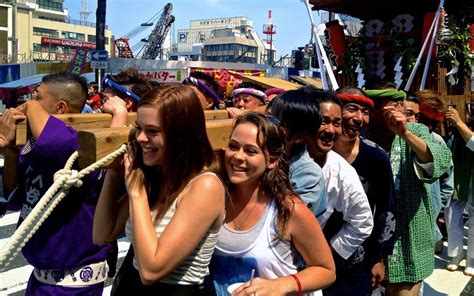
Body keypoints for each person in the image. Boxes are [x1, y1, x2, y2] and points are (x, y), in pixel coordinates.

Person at [93, 85, 226, 294]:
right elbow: (102, 234)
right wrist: (114, 173)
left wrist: (136, 193)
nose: (140, 138)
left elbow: (151, 271)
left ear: (182, 135)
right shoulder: (154, 176)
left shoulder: (204, 186)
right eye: (139, 128)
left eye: (153, 131)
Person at [0, 72, 111, 295]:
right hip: (41, 279)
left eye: (37, 97)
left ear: (60, 108)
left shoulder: (79, 144)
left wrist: (30, 106)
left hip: (74, 285)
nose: (28, 103)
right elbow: (14, 200)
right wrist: (10, 152)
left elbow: (55, 143)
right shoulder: (36, 146)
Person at [209, 112, 335, 296]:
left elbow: (326, 270)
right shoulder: (213, 201)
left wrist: (281, 285)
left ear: (272, 160)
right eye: (233, 146)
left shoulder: (289, 209)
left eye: (251, 151)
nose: (238, 156)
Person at [364, 84, 452, 296]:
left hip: (408, 241)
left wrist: (404, 133)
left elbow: (440, 160)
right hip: (366, 245)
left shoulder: (416, 131)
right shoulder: (358, 136)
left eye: (397, 105)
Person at [297, 87, 373, 296]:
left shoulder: (342, 172)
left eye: (336, 123)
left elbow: (363, 221)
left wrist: (325, 257)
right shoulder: (281, 157)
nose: (331, 130)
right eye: (323, 121)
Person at [332, 86, 396, 295]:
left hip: (358, 258)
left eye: (365, 112)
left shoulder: (376, 157)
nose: (359, 118)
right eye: (351, 109)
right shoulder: (315, 152)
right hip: (312, 256)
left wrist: (379, 259)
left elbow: (386, 210)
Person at [270, 89, 327, 220]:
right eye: (265, 117)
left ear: (298, 137)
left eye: (274, 123)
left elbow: (284, 220)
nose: (265, 125)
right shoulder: (269, 155)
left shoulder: (309, 175)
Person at [412, 91, 454, 255]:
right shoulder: (397, 141)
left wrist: (435, 210)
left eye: (433, 122)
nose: (427, 127)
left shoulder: (437, 141)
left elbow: (447, 182)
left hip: (428, 221)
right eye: (424, 120)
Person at [444, 106, 474, 276]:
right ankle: (456, 254)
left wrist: (458, 122)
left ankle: (472, 258)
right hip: (461, 166)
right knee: (451, 209)